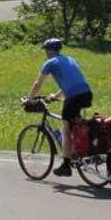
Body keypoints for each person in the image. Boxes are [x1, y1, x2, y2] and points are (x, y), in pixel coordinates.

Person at [27, 37, 93, 177]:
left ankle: (66, 166)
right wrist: (56, 96)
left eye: (45, 50)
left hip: (74, 97)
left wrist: (29, 99)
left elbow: (37, 84)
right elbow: (72, 82)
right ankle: (77, 151)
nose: (45, 53)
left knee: (65, 130)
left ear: (49, 50)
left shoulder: (50, 63)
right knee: (74, 125)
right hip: (86, 94)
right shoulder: (69, 59)